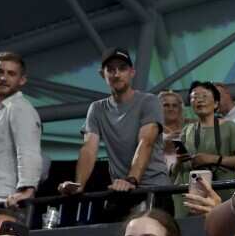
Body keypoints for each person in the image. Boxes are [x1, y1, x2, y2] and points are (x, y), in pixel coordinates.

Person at [61, 48, 168, 216]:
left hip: (154, 188)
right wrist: (79, 184)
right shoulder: (96, 109)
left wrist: (131, 179)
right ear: (102, 74)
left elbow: (146, 142)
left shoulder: (149, 101)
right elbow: (89, 147)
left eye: (122, 68)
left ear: (132, 72)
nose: (116, 74)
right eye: (110, 69)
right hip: (120, 189)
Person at [0, 52, 45, 210]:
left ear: (22, 80)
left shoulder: (20, 108)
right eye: (0, 72)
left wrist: (27, 190)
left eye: (11, 74)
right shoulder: (2, 110)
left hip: (4, 198)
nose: (4, 78)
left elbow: (29, 150)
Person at [182, 81, 235, 181]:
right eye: (195, 97)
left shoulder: (229, 127)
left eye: (204, 96)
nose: (199, 100)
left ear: (216, 104)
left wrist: (214, 159)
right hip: (195, 187)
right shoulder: (187, 130)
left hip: (225, 188)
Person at [159, 89, 188, 175]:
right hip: (162, 174)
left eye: (174, 105)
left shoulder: (189, 127)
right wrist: (164, 143)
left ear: (180, 109)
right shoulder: (153, 129)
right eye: (166, 105)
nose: (170, 109)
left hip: (186, 172)